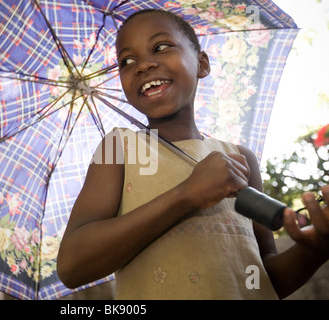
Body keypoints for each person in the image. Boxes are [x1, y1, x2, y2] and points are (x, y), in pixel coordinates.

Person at [57, 9, 329, 299]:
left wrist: (317, 250)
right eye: (127, 61)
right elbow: (72, 266)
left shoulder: (240, 158)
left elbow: (262, 278)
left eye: (160, 47)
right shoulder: (119, 148)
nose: (143, 65)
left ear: (202, 63)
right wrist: (186, 194)